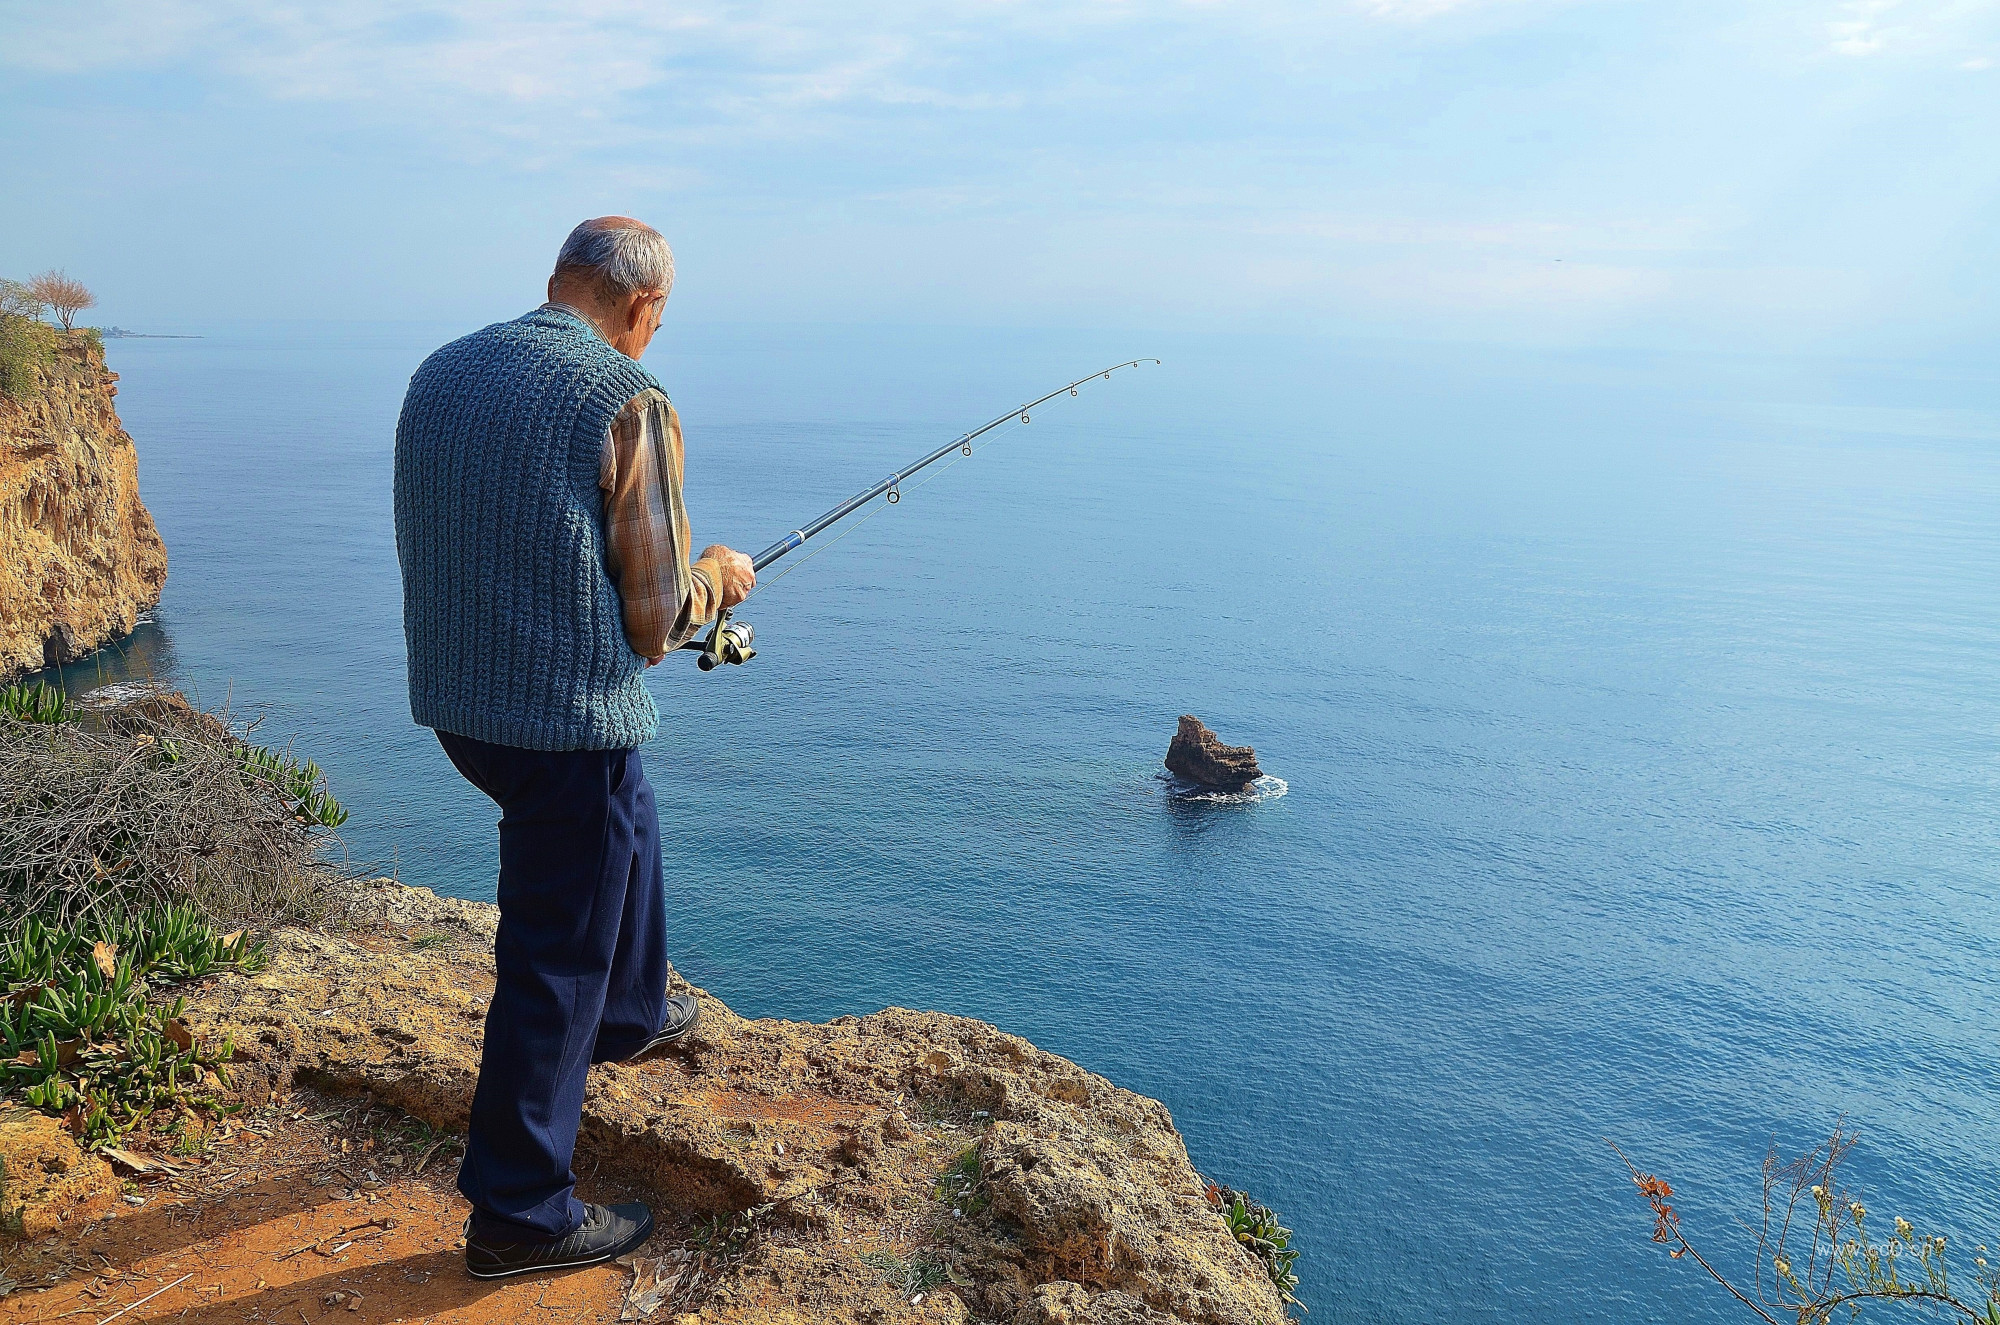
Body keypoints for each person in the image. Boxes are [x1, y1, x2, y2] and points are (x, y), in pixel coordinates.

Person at [392, 216, 755, 1279]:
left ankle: (631, 1009)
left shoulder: (442, 371)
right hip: (555, 717)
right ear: (641, 305)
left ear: (561, 279)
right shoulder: (625, 398)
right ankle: (518, 1211)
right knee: (553, 954)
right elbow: (655, 618)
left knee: (622, 808)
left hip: (461, 702)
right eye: (658, 321)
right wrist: (717, 578)